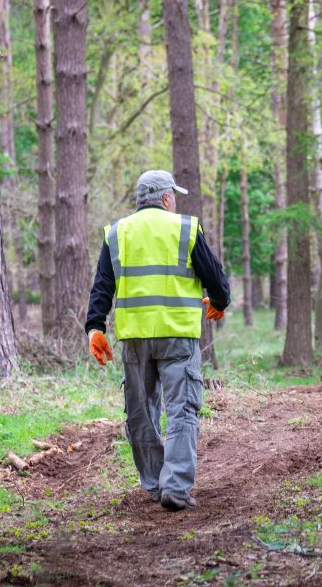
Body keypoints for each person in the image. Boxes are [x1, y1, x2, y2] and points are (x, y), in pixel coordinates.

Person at [85, 169, 230, 512]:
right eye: (174, 195)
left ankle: (154, 483)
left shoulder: (117, 233)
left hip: (135, 339)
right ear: (166, 198)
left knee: (140, 413)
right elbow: (214, 275)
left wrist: (95, 328)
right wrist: (220, 301)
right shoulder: (184, 227)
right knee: (182, 410)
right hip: (177, 336)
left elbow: (102, 286)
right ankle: (175, 486)